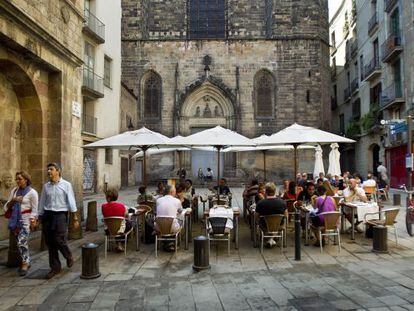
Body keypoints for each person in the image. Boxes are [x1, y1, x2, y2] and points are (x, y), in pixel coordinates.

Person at [38, 163, 79, 279]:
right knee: (50, 242)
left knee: (58, 238)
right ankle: (55, 267)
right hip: (48, 215)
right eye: (48, 170)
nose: (48, 172)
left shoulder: (66, 185)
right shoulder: (46, 186)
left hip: (60, 215)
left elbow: (71, 201)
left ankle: (68, 255)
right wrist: (39, 217)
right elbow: (42, 202)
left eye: (51, 169)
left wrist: (75, 217)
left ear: (58, 171)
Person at [4, 171, 38, 276]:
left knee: (22, 242)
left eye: (20, 179)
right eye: (16, 179)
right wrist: (14, 200)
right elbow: (6, 207)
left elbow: (35, 209)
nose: (17, 181)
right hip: (15, 220)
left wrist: (33, 221)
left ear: (26, 180)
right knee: (20, 242)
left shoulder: (32, 192)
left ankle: (25, 263)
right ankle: (26, 260)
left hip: (25, 220)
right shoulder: (14, 191)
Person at [256, 183, 287, 247]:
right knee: (279, 223)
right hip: (279, 226)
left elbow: (256, 216)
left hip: (265, 226)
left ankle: (270, 239)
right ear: (275, 191)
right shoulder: (282, 202)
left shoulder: (260, 203)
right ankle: (271, 239)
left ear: (266, 192)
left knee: (262, 222)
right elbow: (286, 215)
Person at [102, 187, 132, 252]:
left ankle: (118, 244)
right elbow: (126, 215)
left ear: (109, 198)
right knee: (129, 224)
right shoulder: (122, 206)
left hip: (108, 229)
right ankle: (120, 243)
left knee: (115, 225)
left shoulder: (103, 206)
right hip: (119, 230)